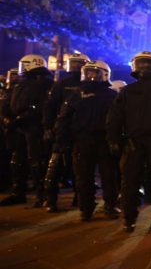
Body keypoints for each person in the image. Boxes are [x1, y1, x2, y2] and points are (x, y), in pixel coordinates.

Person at [106, 51, 151, 232]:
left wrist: (114, 139)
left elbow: (114, 118)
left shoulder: (128, 91)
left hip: (136, 142)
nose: (145, 67)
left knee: (132, 181)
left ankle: (129, 220)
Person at [54, 60, 118, 220]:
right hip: (82, 140)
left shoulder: (111, 95)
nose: (91, 75)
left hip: (104, 141)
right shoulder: (76, 94)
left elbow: (119, 119)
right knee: (83, 177)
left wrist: (117, 139)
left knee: (108, 176)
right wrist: (61, 140)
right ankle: (86, 209)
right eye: (88, 72)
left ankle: (110, 206)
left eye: (94, 72)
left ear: (104, 75)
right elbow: (64, 118)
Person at [0, 55, 53, 207]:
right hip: (18, 128)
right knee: (17, 161)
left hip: (34, 128)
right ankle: (18, 193)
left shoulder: (45, 84)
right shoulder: (20, 84)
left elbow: (41, 107)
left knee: (36, 161)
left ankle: (42, 195)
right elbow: (8, 103)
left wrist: (19, 119)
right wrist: (7, 118)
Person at [43, 52, 90, 212]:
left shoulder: (89, 84)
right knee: (55, 165)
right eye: (74, 63)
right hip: (63, 129)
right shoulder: (62, 84)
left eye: (79, 64)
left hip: (81, 131)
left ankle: (79, 197)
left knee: (80, 166)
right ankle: (50, 199)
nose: (76, 66)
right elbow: (50, 106)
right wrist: (48, 127)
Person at [0, 69, 20, 192]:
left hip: (14, 126)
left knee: (10, 155)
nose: (13, 78)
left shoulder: (19, 91)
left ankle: (8, 182)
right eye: (11, 76)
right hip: (4, 126)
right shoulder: (6, 91)